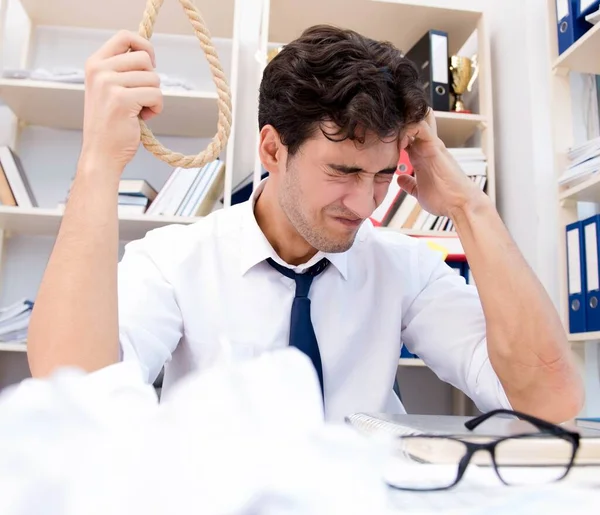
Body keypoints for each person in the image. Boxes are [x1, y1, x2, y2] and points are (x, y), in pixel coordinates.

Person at [27, 25, 583, 423]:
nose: (366, 205)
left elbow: (547, 403)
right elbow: (71, 390)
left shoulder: (404, 266)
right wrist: (99, 161)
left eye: (384, 175)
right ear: (272, 149)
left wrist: (470, 207)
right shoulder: (174, 259)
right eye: (343, 171)